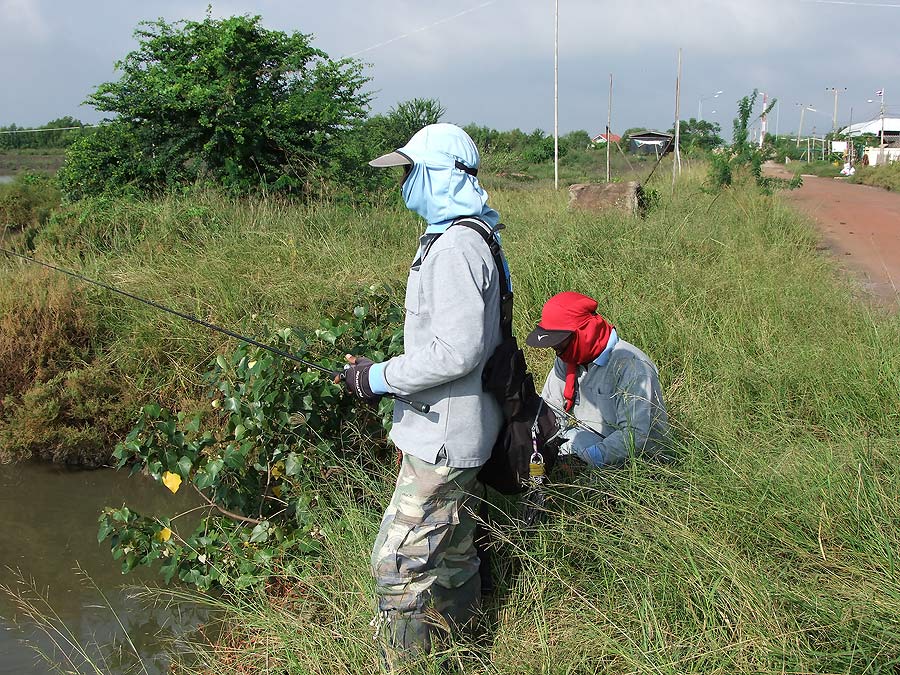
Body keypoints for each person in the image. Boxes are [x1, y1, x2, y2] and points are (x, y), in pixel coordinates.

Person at [337, 123, 507, 666]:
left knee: (398, 562)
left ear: (437, 175)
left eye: (411, 171)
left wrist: (378, 377)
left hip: (445, 438)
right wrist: (376, 372)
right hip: (450, 429)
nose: (404, 182)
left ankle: (408, 663)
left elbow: (458, 351)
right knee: (454, 553)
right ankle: (464, 649)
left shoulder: (457, 244)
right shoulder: (462, 235)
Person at [526, 291, 669, 467]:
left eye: (560, 340)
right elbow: (551, 410)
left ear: (584, 333)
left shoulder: (631, 366)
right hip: (589, 443)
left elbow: (635, 435)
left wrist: (583, 461)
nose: (554, 347)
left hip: (640, 462)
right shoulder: (568, 358)